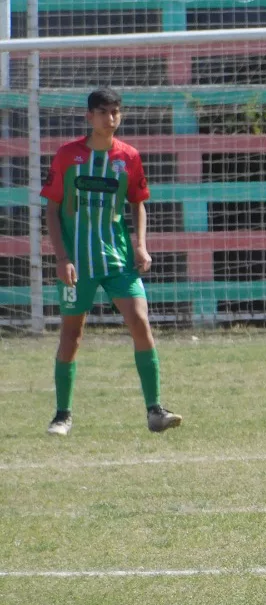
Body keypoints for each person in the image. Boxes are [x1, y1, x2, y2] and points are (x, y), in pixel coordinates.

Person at [42, 86, 182, 437]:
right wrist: (62, 258)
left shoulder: (129, 157)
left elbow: (137, 202)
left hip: (118, 259)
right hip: (78, 264)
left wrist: (141, 245)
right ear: (89, 117)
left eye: (116, 111)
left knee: (140, 322)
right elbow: (53, 209)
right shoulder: (67, 156)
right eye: (104, 111)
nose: (111, 118)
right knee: (72, 336)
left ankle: (155, 410)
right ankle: (62, 414)